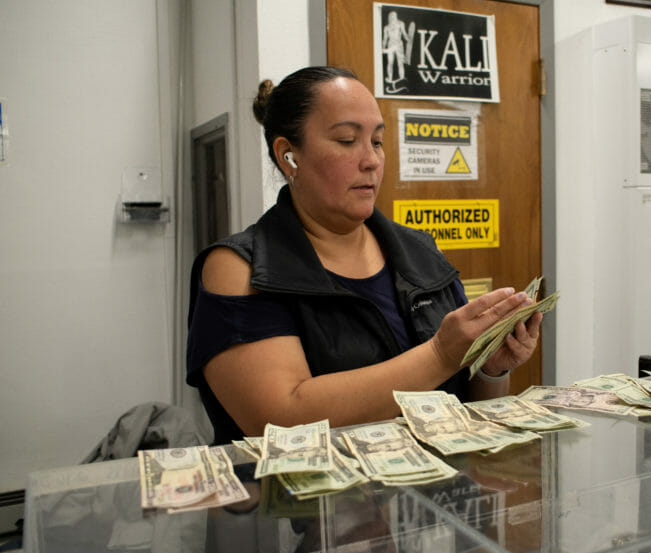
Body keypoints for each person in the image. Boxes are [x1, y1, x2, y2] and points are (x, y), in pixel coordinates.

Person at [186, 66, 542, 444]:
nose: (371, 160)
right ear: (288, 155)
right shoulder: (240, 268)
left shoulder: (421, 252)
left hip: (433, 497)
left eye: (376, 141)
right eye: (346, 140)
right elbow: (281, 418)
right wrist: (440, 354)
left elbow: (466, 409)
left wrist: (489, 369)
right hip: (301, 501)